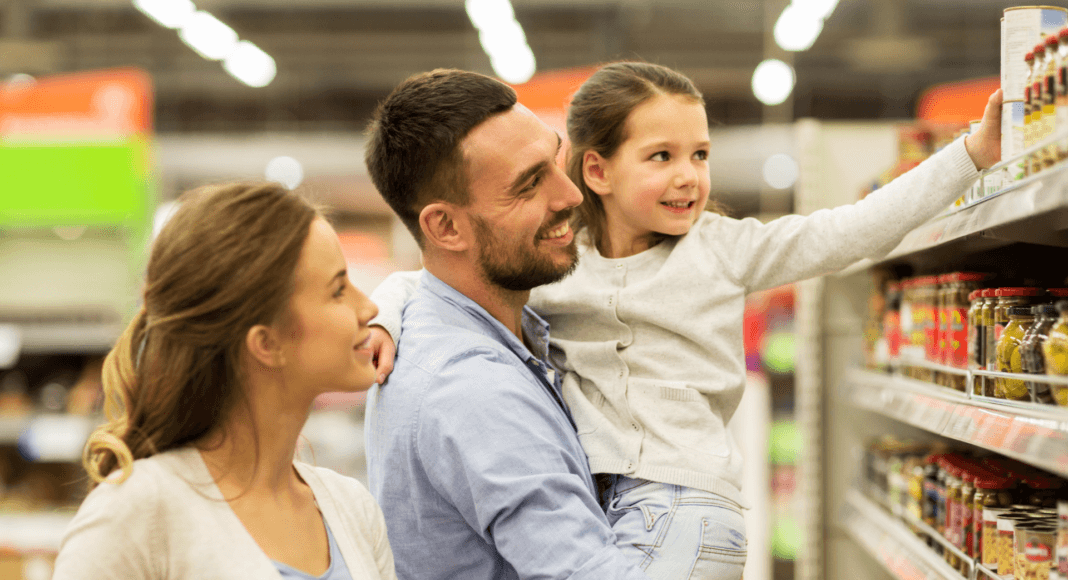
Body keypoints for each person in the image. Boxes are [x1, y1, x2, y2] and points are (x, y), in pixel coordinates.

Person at [367, 63, 1002, 579]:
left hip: (685, 507)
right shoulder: (561, 266)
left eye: (699, 155)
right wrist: (386, 317)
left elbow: (848, 231)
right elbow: (431, 284)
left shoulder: (721, 250)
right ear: (599, 171)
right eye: (661, 157)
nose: (688, 177)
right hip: (619, 506)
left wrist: (971, 153)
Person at [362, 69, 650, 580]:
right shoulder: (473, 389)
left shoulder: (460, 322)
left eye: (556, 162)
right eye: (529, 184)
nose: (571, 196)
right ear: (445, 226)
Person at [52, 182, 397, 580]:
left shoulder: (351, 507)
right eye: (338, 291)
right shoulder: (134, 514)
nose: (368, 306)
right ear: (266, 342)